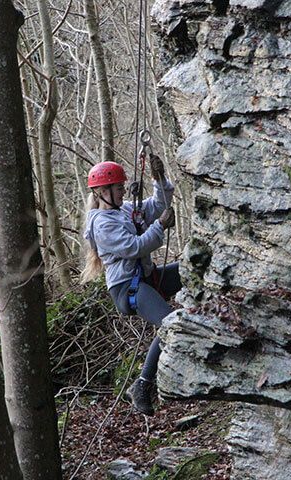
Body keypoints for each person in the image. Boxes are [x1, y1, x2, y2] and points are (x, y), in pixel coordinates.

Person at [81, 158, 181, 415]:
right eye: (119, 187)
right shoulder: (102, 224)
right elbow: (135, 247)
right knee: (171, 323)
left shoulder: (124, 209)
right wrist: (159, 225)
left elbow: (159, 205)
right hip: (129, 288)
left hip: (146, 278)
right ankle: (142, 385)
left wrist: (158, 179)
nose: (124, 191)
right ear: (103, 192)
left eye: (123, 186)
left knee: (188, 270)